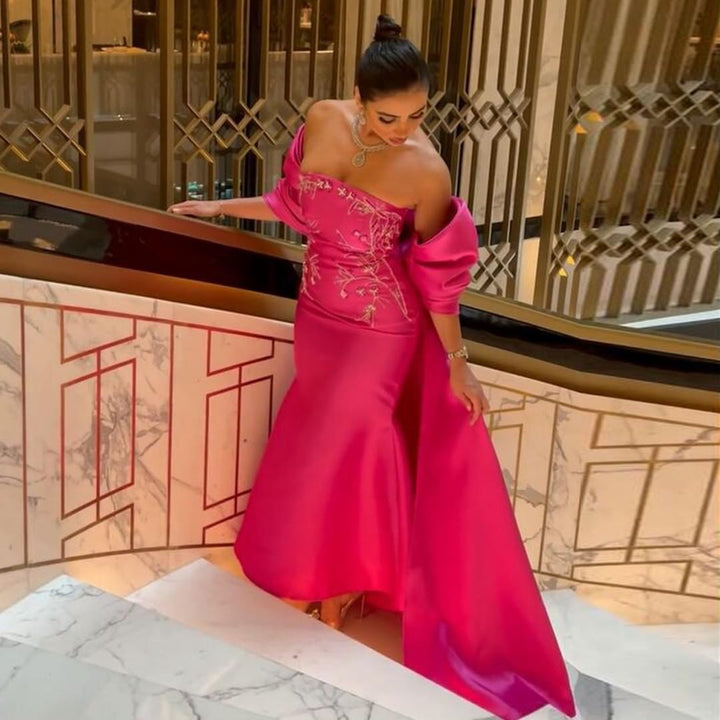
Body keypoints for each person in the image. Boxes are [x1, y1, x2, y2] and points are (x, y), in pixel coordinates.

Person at [169, 14, 575, 720]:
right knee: (314, 444)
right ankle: (317, 576)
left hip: (380, 329)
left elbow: (439, 282)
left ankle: (344, 588)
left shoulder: (426, 170)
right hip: (317, 317)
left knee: (352, 449)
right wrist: (217, 205)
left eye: (417, 115)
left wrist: (458, 363)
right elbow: (298, 207)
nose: (402, 129)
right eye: (389, 116)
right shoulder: (322, 119)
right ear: (358, 98)